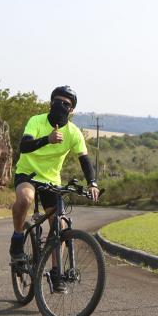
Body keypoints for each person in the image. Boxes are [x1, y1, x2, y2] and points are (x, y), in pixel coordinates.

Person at [9, 86, 100, 289]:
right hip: (28, 173)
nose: (61, 106)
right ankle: (17, 239)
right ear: (51, 103)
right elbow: (24, 146)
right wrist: (47, 140)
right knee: (25, 198)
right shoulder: (37, 121)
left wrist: (92, 183)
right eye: (57, 101)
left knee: (61, 225)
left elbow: (84, 159)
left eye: (66, 104)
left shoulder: (74, 133)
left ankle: (56, 271)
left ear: (72, 110)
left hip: (51, 180)